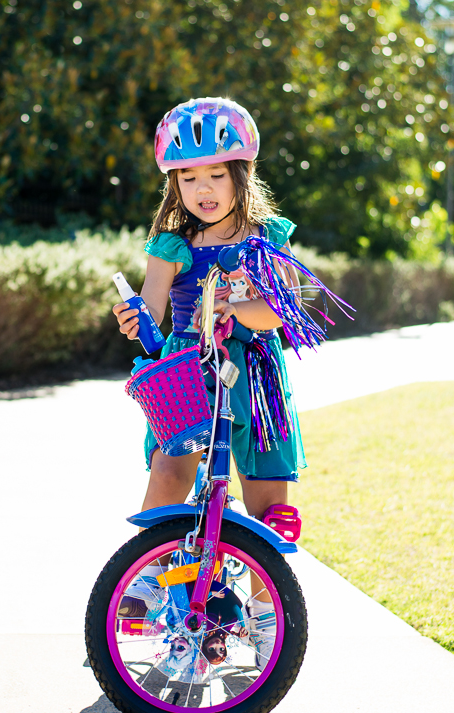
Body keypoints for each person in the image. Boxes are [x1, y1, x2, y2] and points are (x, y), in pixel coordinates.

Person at [111, 97, 307, 665]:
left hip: (255, 376)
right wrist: (136, 323)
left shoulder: (268, 235)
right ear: (175, 184)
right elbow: (152, 322)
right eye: (188, 176)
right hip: (190, 372)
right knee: (170, 477)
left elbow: (283, 312)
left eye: (216, 174)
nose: (203, 188)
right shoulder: (171, 243)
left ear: (240, 176)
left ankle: (269, 613)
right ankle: (148, 588)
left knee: (268, 502)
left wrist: (240, 305)